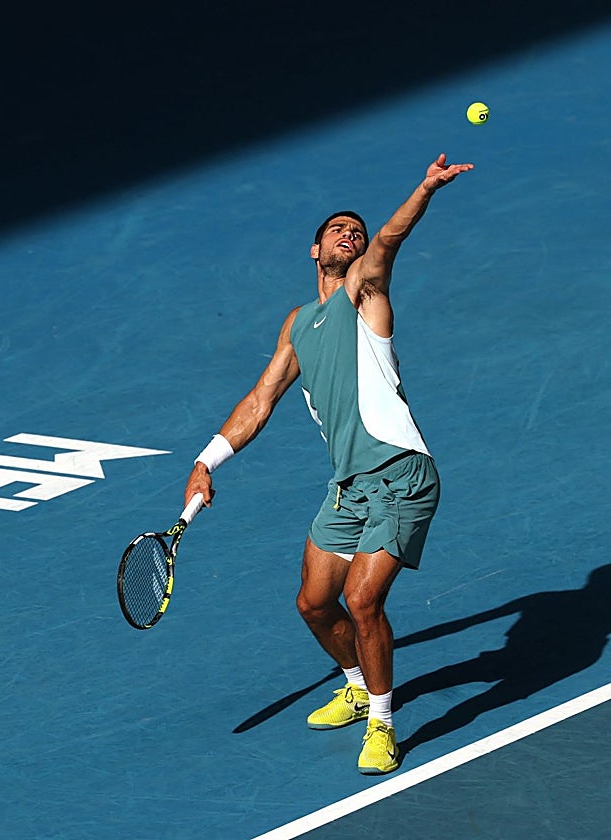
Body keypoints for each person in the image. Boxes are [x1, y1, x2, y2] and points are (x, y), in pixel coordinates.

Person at [184, 154, 473, 775]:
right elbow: (260, 401)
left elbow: (391, 236)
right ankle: (353, 679)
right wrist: (207, 461)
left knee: (362, 600)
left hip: (401, 475)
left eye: (357, 230)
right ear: (314, 250)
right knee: (315, 604)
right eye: (338, 229)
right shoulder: (299, 323)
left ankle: (383, 722)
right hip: (349, 489)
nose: (352, 233)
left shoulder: (364, 292)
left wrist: (424, 188)